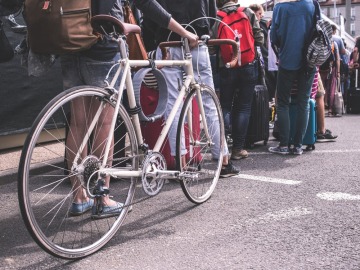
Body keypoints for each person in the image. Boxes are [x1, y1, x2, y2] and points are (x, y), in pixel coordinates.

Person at [134, 0, 240, 177]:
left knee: (172, 105)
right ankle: (223, 160)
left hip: (166, 43)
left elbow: (150, 17)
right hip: (197, 41)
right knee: (209, 103)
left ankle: (180, 162)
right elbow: (211, 15)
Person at [213, 0, 264, 160]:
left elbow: (212, 45)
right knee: (243, 107)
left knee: (225, 106)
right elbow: (260, 38)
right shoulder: (247, 12)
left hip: (227, 65)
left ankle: (223, 147)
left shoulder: (217, 17)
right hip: (248, 64)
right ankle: (238, 149)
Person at [268, 0, 316, 155]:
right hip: (309, 60)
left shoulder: (280, 8)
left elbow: (274, 36)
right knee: (304, 102)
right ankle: (298, 145)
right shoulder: (313, 4)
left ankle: (283, 145)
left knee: (283, 103)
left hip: (288, 59)